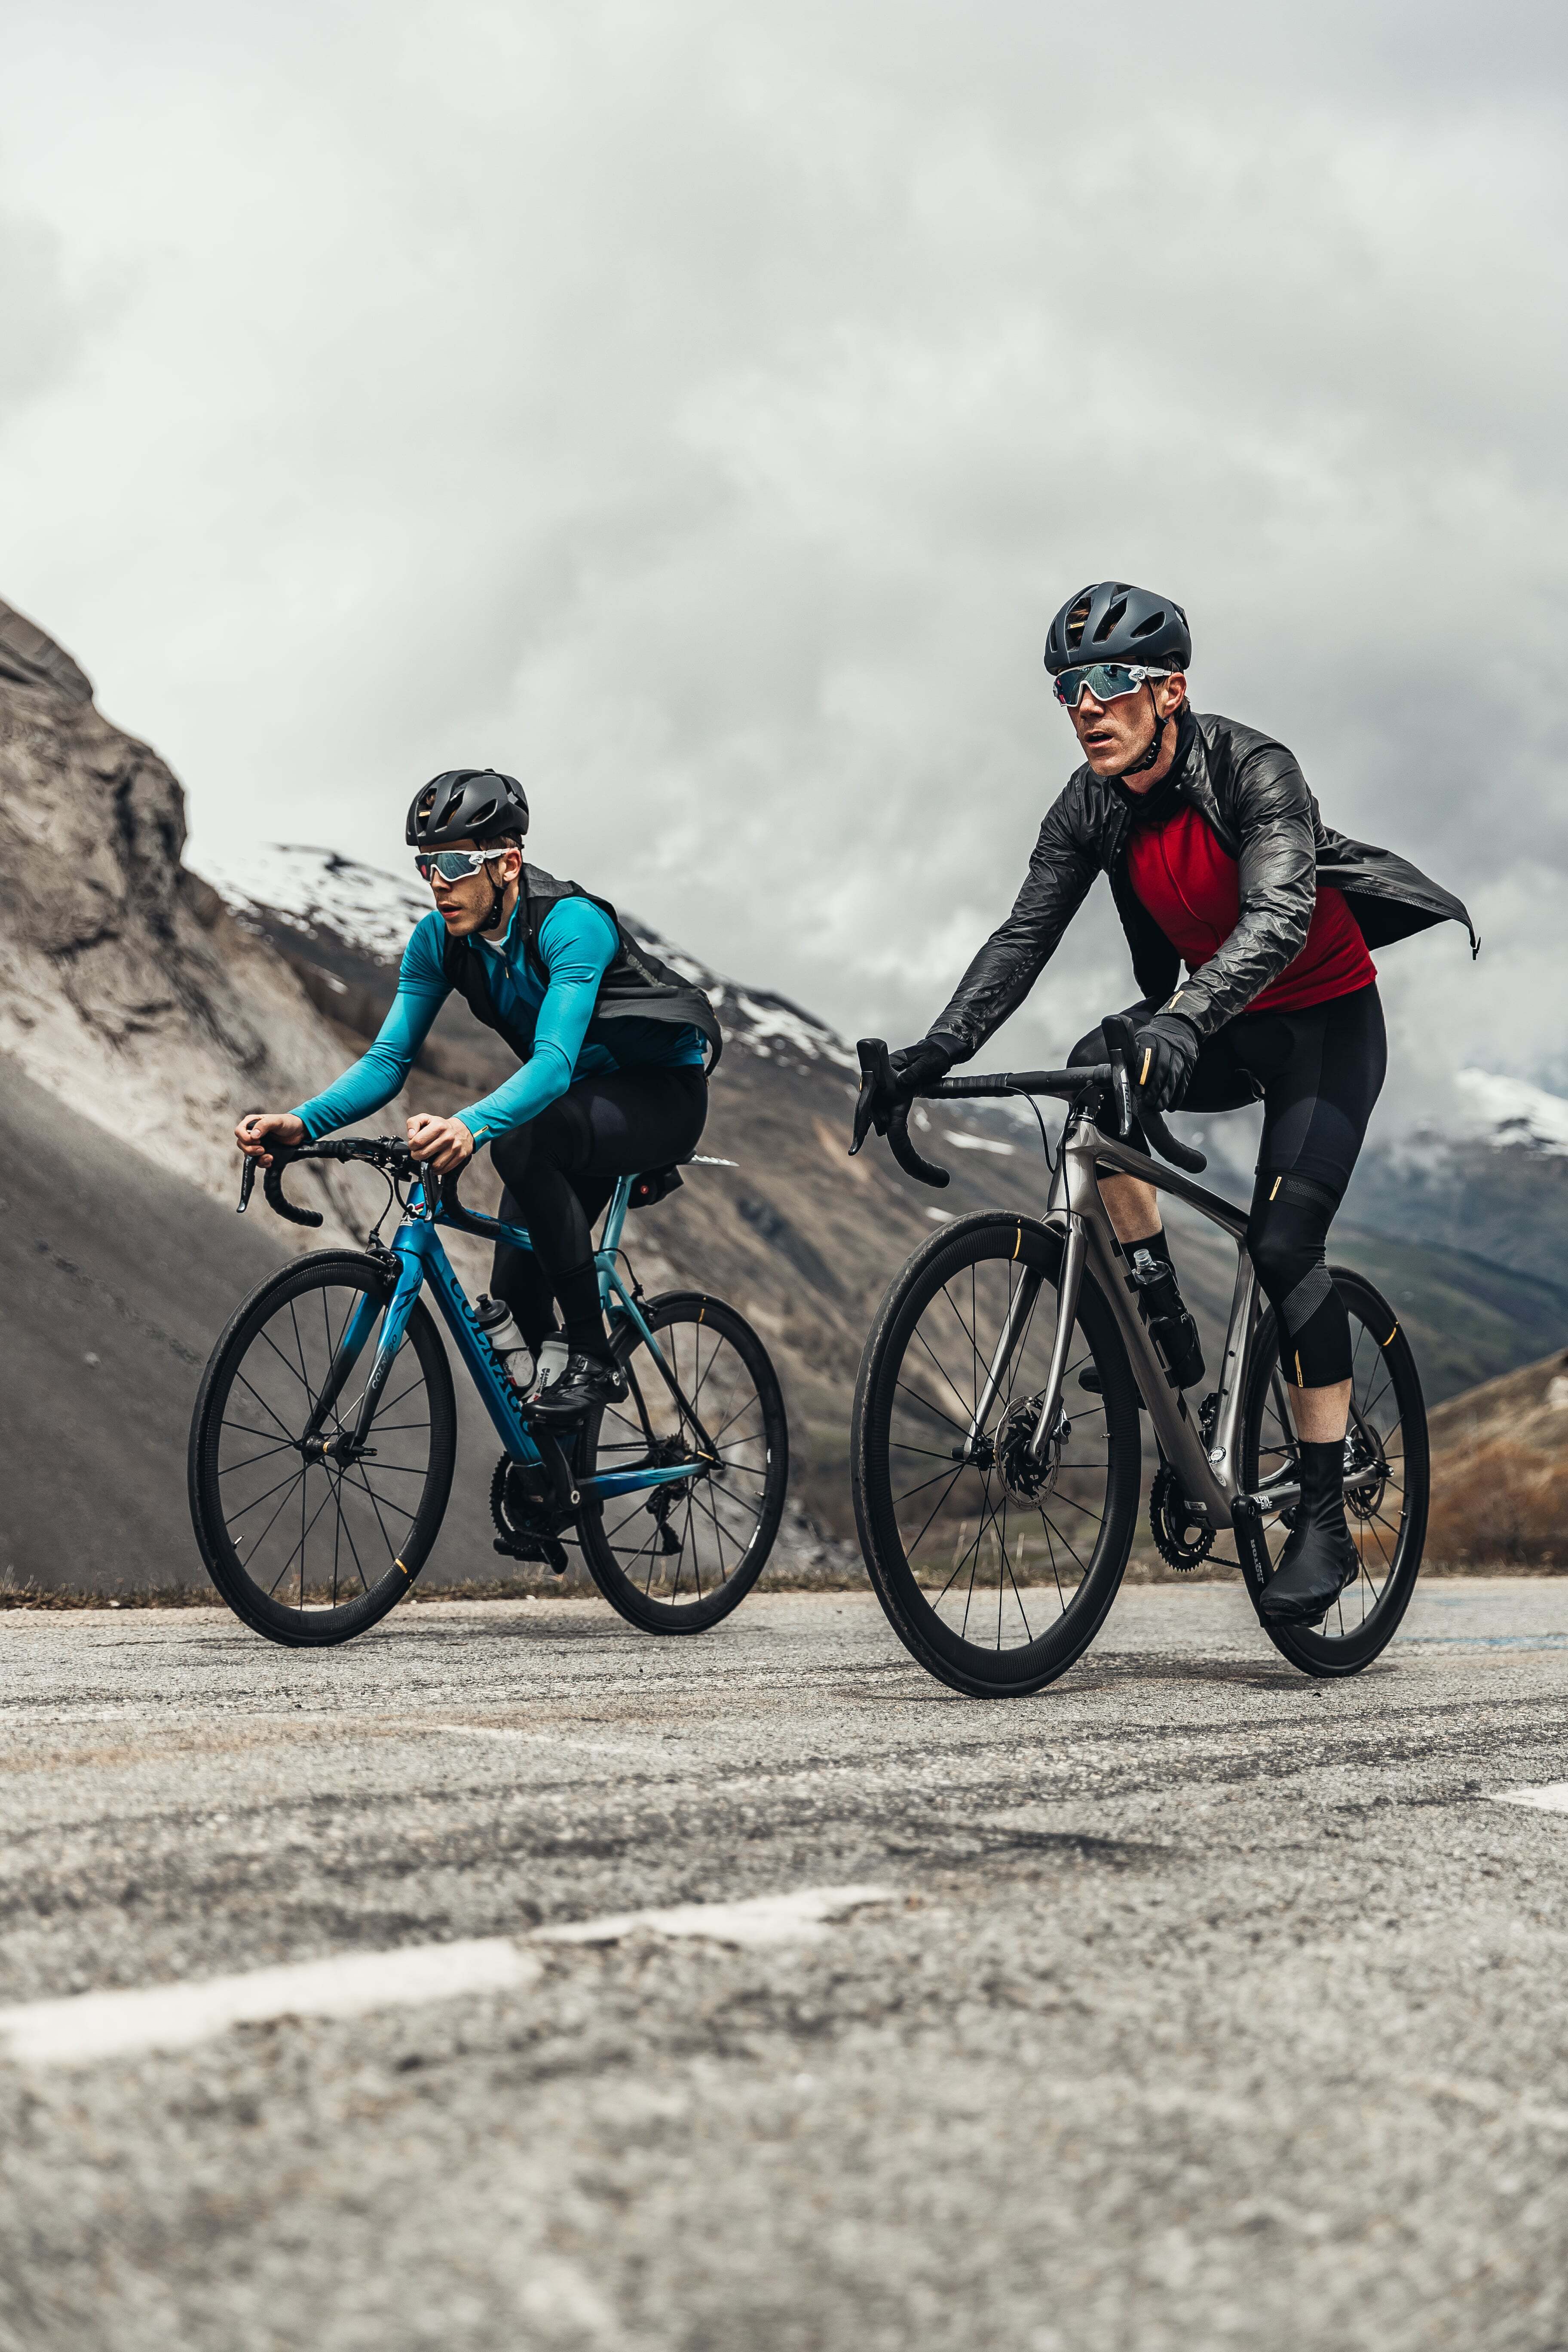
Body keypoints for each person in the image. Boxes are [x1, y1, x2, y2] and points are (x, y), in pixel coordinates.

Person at [875, 581, 1474, 1627]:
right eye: (1068, 689)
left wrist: (1181, 1020)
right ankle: (1159, 1315)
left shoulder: (1255, 771)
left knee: (1287, 1250)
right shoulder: (1088, 804)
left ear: (1171, 691)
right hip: (1215, 1021)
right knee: (1087, 1079)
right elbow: (1025, 939)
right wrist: (934, 1051)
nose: (1086, 707)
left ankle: (1323, 1512)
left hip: (1325, 1030)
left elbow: (1281, 915)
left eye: (1109, 683)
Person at [236, 768, 720, 1420]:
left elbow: (551, 1066)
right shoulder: (439, 941)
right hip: (574, 1107)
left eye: (457, 863)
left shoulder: (572, 924)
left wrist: (468, 1125)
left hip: (660, 1094)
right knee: (516, 1298)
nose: (439, 884)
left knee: (523, 1142)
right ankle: (553, 1486)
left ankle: (595, 1356)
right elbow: (388, 1059)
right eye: (426, 866)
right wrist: (303, 1122)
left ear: (509, 862)